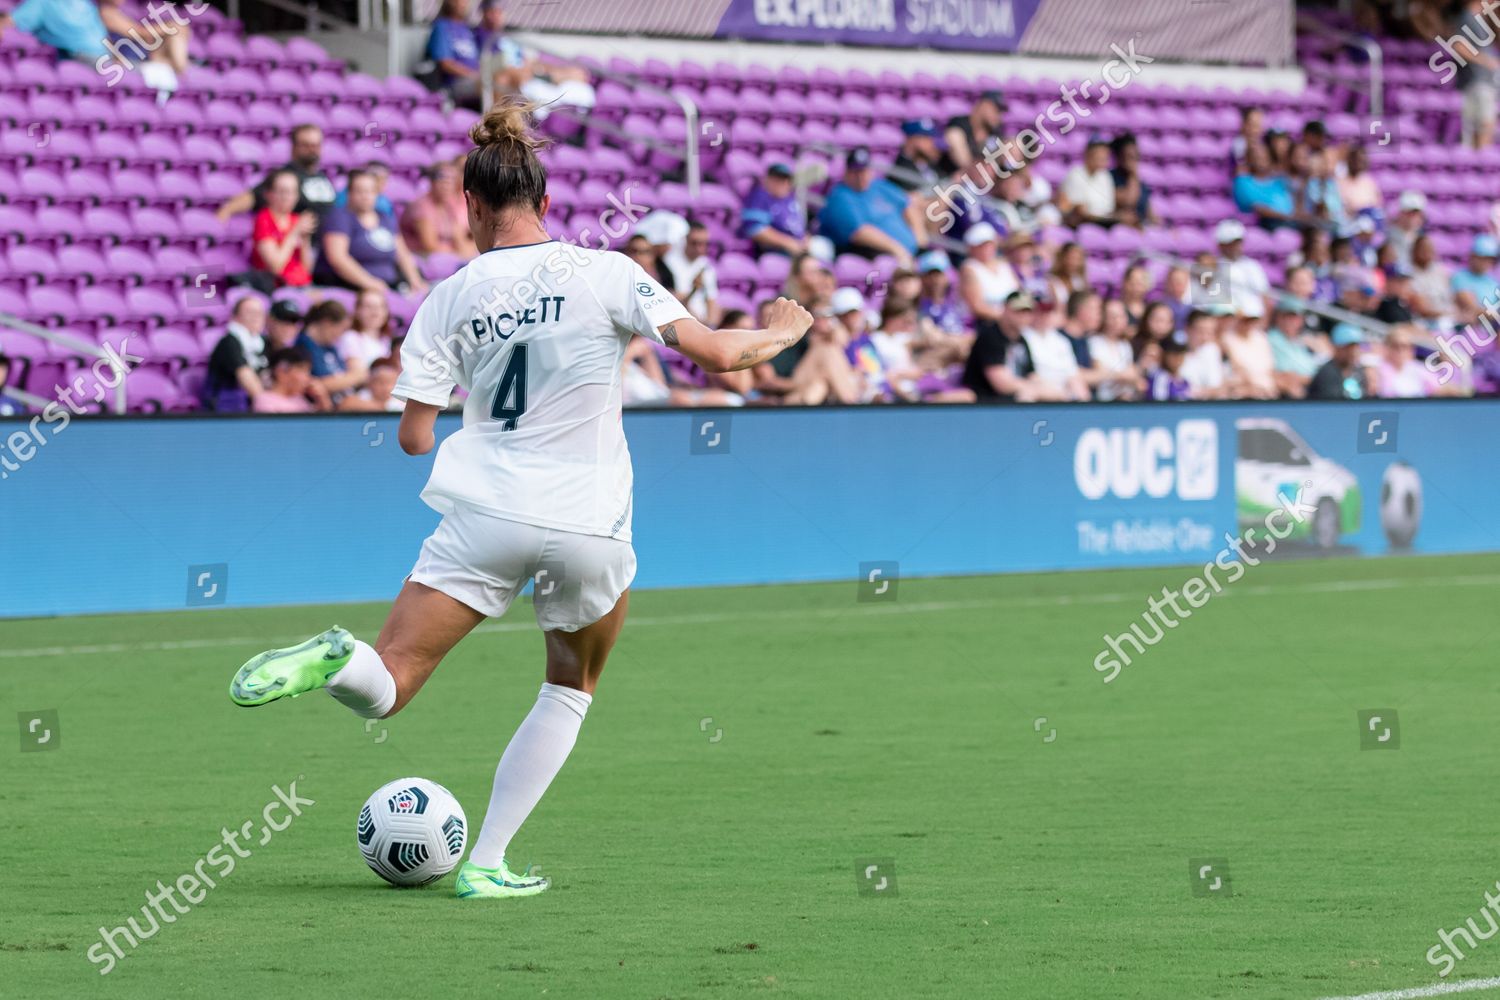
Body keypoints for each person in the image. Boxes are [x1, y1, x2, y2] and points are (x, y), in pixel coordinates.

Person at [225, 100, 814, 902]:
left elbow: (412, 439)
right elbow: (716, 356)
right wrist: (782, 329)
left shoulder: (449, 295)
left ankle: (336, 658)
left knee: (390, 684)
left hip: (486, 515)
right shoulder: (607, 270)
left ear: (470, 206)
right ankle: (488, 862)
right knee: (569, 687)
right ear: (546, 201)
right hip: (588, 523)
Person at [315, 170, 428, 294]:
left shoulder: (386, 218)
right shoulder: (339, 217)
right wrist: (370, 283)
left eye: (370, 191)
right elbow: (338, 258)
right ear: (349, 193)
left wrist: (415, 280)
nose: (365, 196)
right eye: (359, 191)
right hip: (351, 286)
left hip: (388, 284)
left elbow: (402, 254)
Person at [475, 0, 595, 114]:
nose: (496, 16)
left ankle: (555, 76)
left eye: (499, 12)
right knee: (522, 71)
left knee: (577, 72)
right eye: (492, 12)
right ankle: (549, 77)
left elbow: (524, 59)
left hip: (527, 68)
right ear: (484, 14)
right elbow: (494, 65)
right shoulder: (482, 37)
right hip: (513, 72)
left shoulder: (508, 36)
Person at [817, 147, 921, 265]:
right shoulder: (840, 196)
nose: (861, 177)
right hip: (874, 255)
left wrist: (919, 238)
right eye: (855, 172)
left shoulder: (878, 186)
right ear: (846, 173)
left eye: (864, 171)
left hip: (909, 253)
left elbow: (907, 204)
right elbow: (859, 233)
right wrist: (898, 250)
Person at [217, 125, 338, 223]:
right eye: (306, 145)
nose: (312, 150)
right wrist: (228, 209)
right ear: (294, 147)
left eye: (316, 145)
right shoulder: (286, 176)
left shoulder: (322, 176)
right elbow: (254, 196)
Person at [250, 169, 315, 290]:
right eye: (282, 192)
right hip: (276, 285)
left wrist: (306, 239)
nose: (287, 197)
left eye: (292, 192)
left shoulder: (296, 220)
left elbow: (307, 269)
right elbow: (275, 267)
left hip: (302, 283)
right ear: (268, 194)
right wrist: (294, 232)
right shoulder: (264, 219)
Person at [401, 160, 479, 260]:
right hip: (421, 258)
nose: (447, 187)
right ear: (432, 183)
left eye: (451, 183)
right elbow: (430, 245)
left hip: (447, 255)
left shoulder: (449, 206)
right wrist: (459, 253)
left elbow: (459, 236)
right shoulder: (422, 207)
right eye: (443, 182)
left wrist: (467, 250)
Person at [204, 296, 269, 411]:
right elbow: (247, 379)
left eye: (259, 313)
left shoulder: (261, 342)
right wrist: (272, 406)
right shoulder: (229, 342)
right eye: (250, 312)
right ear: (235, 317)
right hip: (225, 408)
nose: (256, 317)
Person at [1452, 0, 1500, 148]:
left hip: (1484, 82)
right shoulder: (1466, 17)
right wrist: (1486, 60)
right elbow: (1458, 45)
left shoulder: (1481, 19)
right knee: (1485, 124)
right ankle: (1480, 164)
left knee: (1483, 125)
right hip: (1476, 83)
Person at [295, 300, 364, 399]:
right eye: (342, 328)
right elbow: (314, 385)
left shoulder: (330, 348)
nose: (341, 335)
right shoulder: (302, 347)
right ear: (327, 323)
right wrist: (356, 376)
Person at [740, 163, 811, 257]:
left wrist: (806, 239)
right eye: (777, 180)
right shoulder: (760, 197)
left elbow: (799, 227)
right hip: (771, 252)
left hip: (797, 249)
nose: (781, 183)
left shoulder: (790, 199)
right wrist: (788, 243)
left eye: (785, 180)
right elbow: (755, 229)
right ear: (767, 179)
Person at [958, 223, 1017, 327]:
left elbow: (1018, 293)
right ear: (972, 248)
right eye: (981, 245)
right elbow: (977, 306)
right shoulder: (969, 267)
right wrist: (1008, 318)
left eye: (989, 244)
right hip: (988, 325)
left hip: (1011, 321)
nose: (986, 248)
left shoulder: (1004, 265)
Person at [664, 220, 721, 326]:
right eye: (695, 243)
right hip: (679, 321)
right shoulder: (667, 263)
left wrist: (711, 326)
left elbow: (712, 301)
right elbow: (675, 302)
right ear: (685, 239)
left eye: (704, 244)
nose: (700, 249)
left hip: (701, 324)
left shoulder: (706, 265)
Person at [940, 91, 1006, 174]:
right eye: (997, 110)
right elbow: (964, 163)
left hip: (982, 180)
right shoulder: (959, 124)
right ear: (984, 105)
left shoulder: (994, 132)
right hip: (952, 179)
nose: (999, 115)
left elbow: (1001, 163)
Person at [1233, 144, 1295, 230]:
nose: (1261, 160)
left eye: (1265, 157)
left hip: (1287, 222)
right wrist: (1289, 217)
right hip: (1263, 224)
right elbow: (1258, 209)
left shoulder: (1278, 181)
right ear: (1249, 160)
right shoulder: (1243, 182)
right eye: (1257, 157)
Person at [1058, 138, 1116, 228]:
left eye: (1106, 156)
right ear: (1089, 155)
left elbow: (1109, 208)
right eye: (1100, 156)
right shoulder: (1075, 174)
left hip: (1102, 222)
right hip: (1080, 224)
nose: (1104, 159)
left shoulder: (1105, 176)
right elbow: (1077, 209)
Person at [252, 348, 328, 414]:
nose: (307, 378)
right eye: (302, 370)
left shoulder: (300, 400)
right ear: (281, 371)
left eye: (308, 372)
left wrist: (322, 399)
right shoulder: (265, 401)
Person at [1308, 323, 1373, 399]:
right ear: (1337, 348)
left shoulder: (1359, 372)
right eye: (1348, 348)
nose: (1353, 352)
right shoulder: (1327, 374)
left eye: (1356, 347)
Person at [338, 289, 395, 372]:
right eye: (368, 307)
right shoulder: (350, 337)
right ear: (357, 311)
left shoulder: (387, 340)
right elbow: (357, 374)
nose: (375, 312)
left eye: (380, 306)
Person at [1377, 326, 1439, 397]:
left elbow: (1440, 388)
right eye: (1395, 346)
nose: (1400, 350)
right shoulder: (1377, 369)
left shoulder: (1419, 368)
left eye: (1404, 346)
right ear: (1387, 347)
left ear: (1411, 349)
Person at [1451, 234, 1500, 324]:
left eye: (1489, 259)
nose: (1486, 262)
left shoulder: (1493, 281)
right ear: (1472, 256)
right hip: (1474, 327)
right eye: (1482, 258)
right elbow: (1472, 308)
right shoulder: (1460, 278)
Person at [891, 119, 943, 193]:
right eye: (925, 137)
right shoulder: (900, 169)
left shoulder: (932, 166)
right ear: (910, 139)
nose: (932, 143)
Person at [340, 358, 407, 413]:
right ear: (370, 384)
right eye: (381, 383)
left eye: (389, 383)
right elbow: (345, 404)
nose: (385, 388)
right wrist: (382, 408)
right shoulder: (363, 396)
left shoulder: (400, 402)